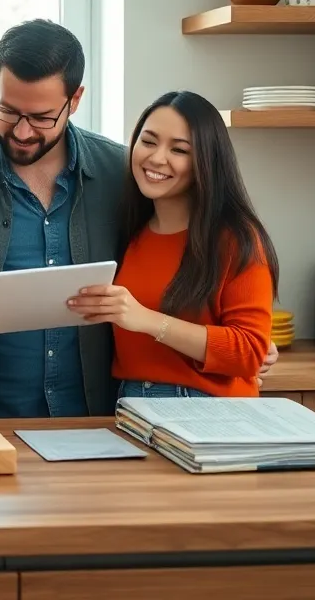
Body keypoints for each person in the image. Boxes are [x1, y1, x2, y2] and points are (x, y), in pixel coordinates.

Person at [0, 20, 279, 417]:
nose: (22, 131)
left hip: (105, 419)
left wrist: (247, 344)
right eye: (7, 110)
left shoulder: (125, 173)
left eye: (42, 116)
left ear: (74, 99)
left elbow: (182, 258)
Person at [67, 91, 278, 398]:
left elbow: (249, 352)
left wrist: (148, 321)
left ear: (205, 162)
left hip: (210, 410)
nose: (156, 158)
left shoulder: (236, 238)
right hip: (132, 405)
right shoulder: (130, 232)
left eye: (179, 150)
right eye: (148, 141)